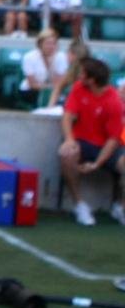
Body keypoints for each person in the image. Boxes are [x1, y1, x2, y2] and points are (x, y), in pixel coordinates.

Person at [58, 56, 123, 226]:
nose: (79, 75)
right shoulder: (78, 88)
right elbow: (67, 116)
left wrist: (97, 163)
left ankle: (120, 207)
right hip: (82, 142)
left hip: (106, 147)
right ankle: (79, 204)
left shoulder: (114, 101)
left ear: (92, 80)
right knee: (67, 153)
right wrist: (69, 139)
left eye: (82, 73)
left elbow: (113, 139)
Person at [20, 27, 70, 107]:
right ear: (40, 44)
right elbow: (32, 84)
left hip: (54, 91)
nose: (51, 46)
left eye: (54, 43)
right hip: (31, 91)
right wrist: (49, 88)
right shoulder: (29, 57)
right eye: (48, 43)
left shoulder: (61, 57)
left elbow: (59, 82)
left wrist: (52, 61)